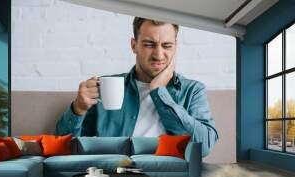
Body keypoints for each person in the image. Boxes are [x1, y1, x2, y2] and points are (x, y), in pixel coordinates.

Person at [55, 17, 218, 155]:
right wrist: (78, 109)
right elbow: (66, 149)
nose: (158, 55)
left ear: (175, 46)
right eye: (149, 44)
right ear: (134, 45)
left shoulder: (193, 90)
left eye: (167, 46)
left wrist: (159, 92)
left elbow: (203, 148)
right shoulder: (104, 88)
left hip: (169, 176)